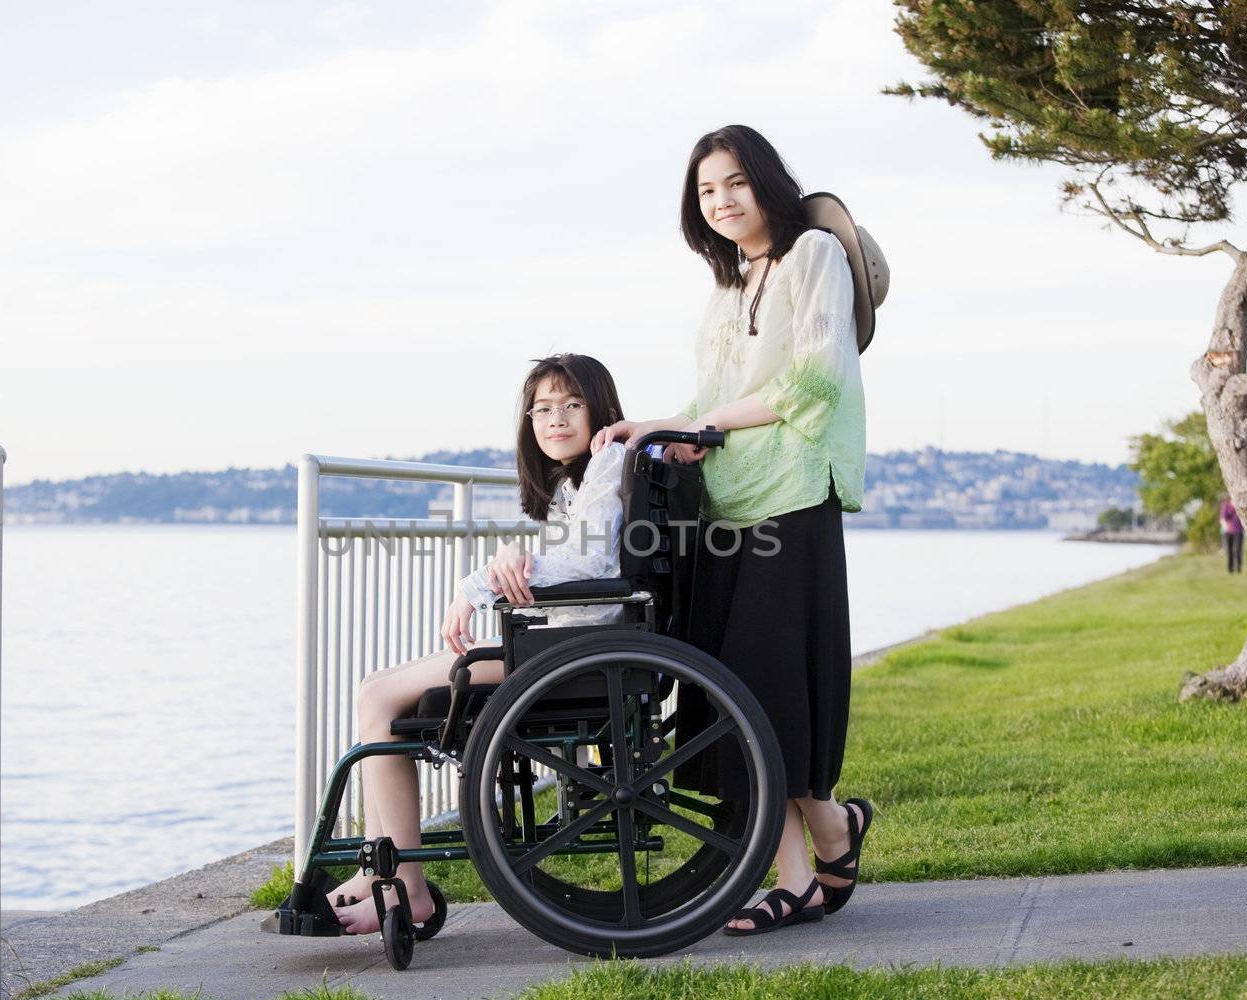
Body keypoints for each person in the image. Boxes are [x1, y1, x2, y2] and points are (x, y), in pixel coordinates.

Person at [592, 124, 874, 935]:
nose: (720, 201)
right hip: (727, 499)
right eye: (706, 191)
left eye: (733, 183)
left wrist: (709, 420)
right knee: (742, 695)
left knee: (778, 689)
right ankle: (828, 836)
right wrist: (653, 427)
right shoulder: (727, 286)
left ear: (767, 183)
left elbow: (815, 376)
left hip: (792, 492)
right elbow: (711, 392)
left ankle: (800, 872)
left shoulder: (812, 255)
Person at [329, 353, 630, 934]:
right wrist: (513, 563)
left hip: (578, 652)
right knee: (378, 693)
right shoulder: (588, 475)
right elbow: (580, 561)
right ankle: (381, 873)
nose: (556, 419)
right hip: (569, 643)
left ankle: (402, 886)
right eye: (542, 408)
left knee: (377, 697)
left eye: (572, 405)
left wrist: (482, 581)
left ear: (601, 410)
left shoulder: (608, 464)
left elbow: (592, 561)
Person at [1220, 496, 1244, 573]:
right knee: (1229, 550)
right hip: (1228, 532)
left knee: (1237, 550)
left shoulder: (1241, 505)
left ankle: (1238, 567)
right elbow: (1223, 518)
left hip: (1239, 531)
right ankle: (1230, 568)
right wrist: (1226, 527)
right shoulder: (1226, 505)